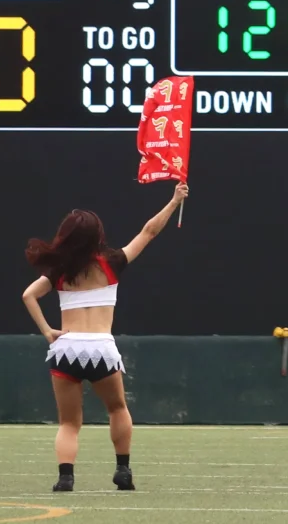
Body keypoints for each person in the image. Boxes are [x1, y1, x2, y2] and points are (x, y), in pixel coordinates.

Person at [19, 181, 188, 492]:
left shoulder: (59, 270)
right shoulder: (112, 263)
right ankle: (123, 471)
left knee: (69, 423)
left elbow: (28, 295)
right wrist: (175, 200)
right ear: (97, 236)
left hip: (66, 349)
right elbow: (148, 232)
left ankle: (65, 477)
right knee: (117, 408)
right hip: (101, 349)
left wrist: (47, 331)